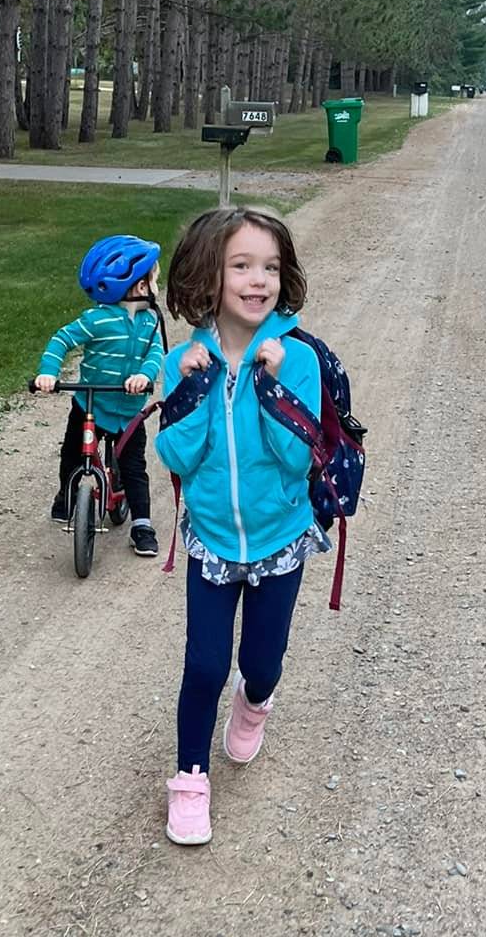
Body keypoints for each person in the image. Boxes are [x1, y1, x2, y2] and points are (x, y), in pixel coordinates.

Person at [154, 206, 328, 846]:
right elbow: (175, 456)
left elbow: (296, 459)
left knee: (262, 661)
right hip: (215, 543)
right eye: (242, 266)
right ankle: (191, 780)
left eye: (271, 268)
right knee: (203, 666)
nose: (260, 281)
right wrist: (194, 391)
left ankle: (256, 704)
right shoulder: (184, 361)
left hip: (280, 538)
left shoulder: (297, 360)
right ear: (209, 275)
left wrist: (275, 388)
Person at [33, 235, 165, 558]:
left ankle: (142, 525)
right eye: (153, 277)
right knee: (72, 454)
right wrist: (48, 372)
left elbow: (156, 352)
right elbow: (62, 339)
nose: (156, 282)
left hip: (129, 408)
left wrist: (144, 376)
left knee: (134, 467)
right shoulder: (97, 319)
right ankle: (67, 494)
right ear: (137, 286)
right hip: (91, 403)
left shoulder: (150, 321)